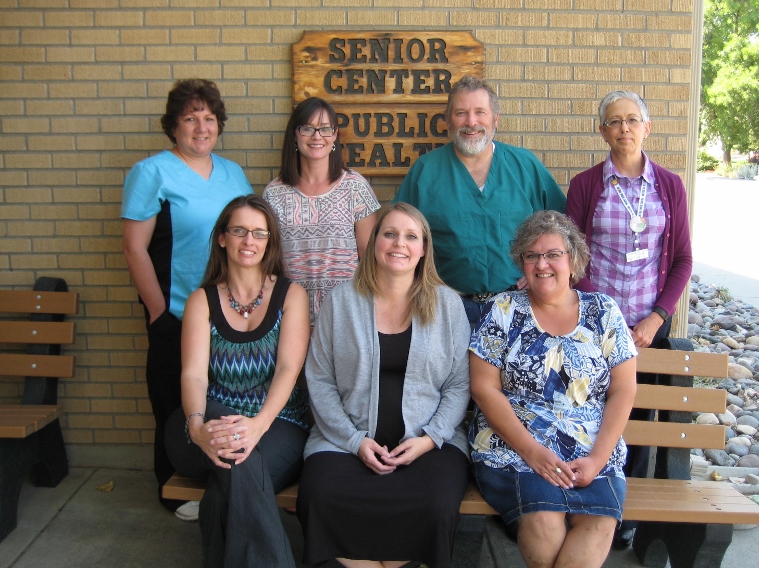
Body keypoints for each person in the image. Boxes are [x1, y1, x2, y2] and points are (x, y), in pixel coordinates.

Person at [297, 203, 471, 568]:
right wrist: (353, 441)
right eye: (389, 233)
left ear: (424, 249)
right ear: (374, 242)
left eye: (411, 236)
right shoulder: (340, 301)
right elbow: (320, 379)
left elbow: (458, 385)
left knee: (436, 505)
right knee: (319, 495)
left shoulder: (448, 305)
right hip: (345, 443)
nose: (399, 244)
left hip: (429, 446)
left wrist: (428, 439)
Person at [470, 211, 637, 568]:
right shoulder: (502, 310)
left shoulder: (604, 312)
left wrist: (597, 459)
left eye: (553, 254)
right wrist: (532, 452)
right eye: (531, 255)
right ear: (521, 263)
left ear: (573, 260)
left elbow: (623, 390)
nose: (542, 264)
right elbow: (484, 389)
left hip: (591, 450)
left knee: (598, 521)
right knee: (544, 520)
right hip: (513, 447)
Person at [565, 91, 692, 548]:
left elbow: (681, 260)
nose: (624, 129)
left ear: (647, 128)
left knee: (635, 416)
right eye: (615, 122)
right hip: (592, 326)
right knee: (587, 412)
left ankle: (626, 516)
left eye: (633, 120)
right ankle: (584, 499)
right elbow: (571, 254)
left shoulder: (670, 186)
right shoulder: (586, 185)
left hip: (645, 327)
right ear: (602, 131)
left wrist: (657, 319)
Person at [121, 79, 253, 520]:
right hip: (175, 310)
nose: (201, 127)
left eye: (209, 119)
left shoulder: (232, 173)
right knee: (173, 399)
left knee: (214, 396)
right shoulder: (152, 172)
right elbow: (134, 248)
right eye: (190, 119)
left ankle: (213, 479)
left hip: (227, 312)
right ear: (173, 127)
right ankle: (174, 489)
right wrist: (159, 312)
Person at [165, 195, 310, 568]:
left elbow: (288, 369)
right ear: (222, 239)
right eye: (240, 231)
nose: (249, 241)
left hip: (279, 423)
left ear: (270, 242)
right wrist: (196, 426)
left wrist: (258, 426)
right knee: (238, 454)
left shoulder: (290, 295)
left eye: (259, 233)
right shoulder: (202, 301)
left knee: (227, 484)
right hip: (207, 420)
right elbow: (194, 374)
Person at [393, 75, 566, 325]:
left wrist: (542, 269)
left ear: (495, 119)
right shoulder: (426, 170)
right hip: (446, 308)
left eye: (480, 112)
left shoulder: (524, 166)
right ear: (448, 121)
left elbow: (561, 227)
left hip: (518, 304)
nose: (471, 122)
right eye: (461, 113)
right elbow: (399, 233)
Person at [263, 97, 380, 325]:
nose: (317, 136)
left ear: (335, 135)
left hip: (347, 313)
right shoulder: (273, 193)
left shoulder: (355, 186)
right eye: (308, 128)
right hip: (289, 314)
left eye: (325, 129)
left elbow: (370, 257)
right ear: (295, 135)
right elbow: (268, 260)